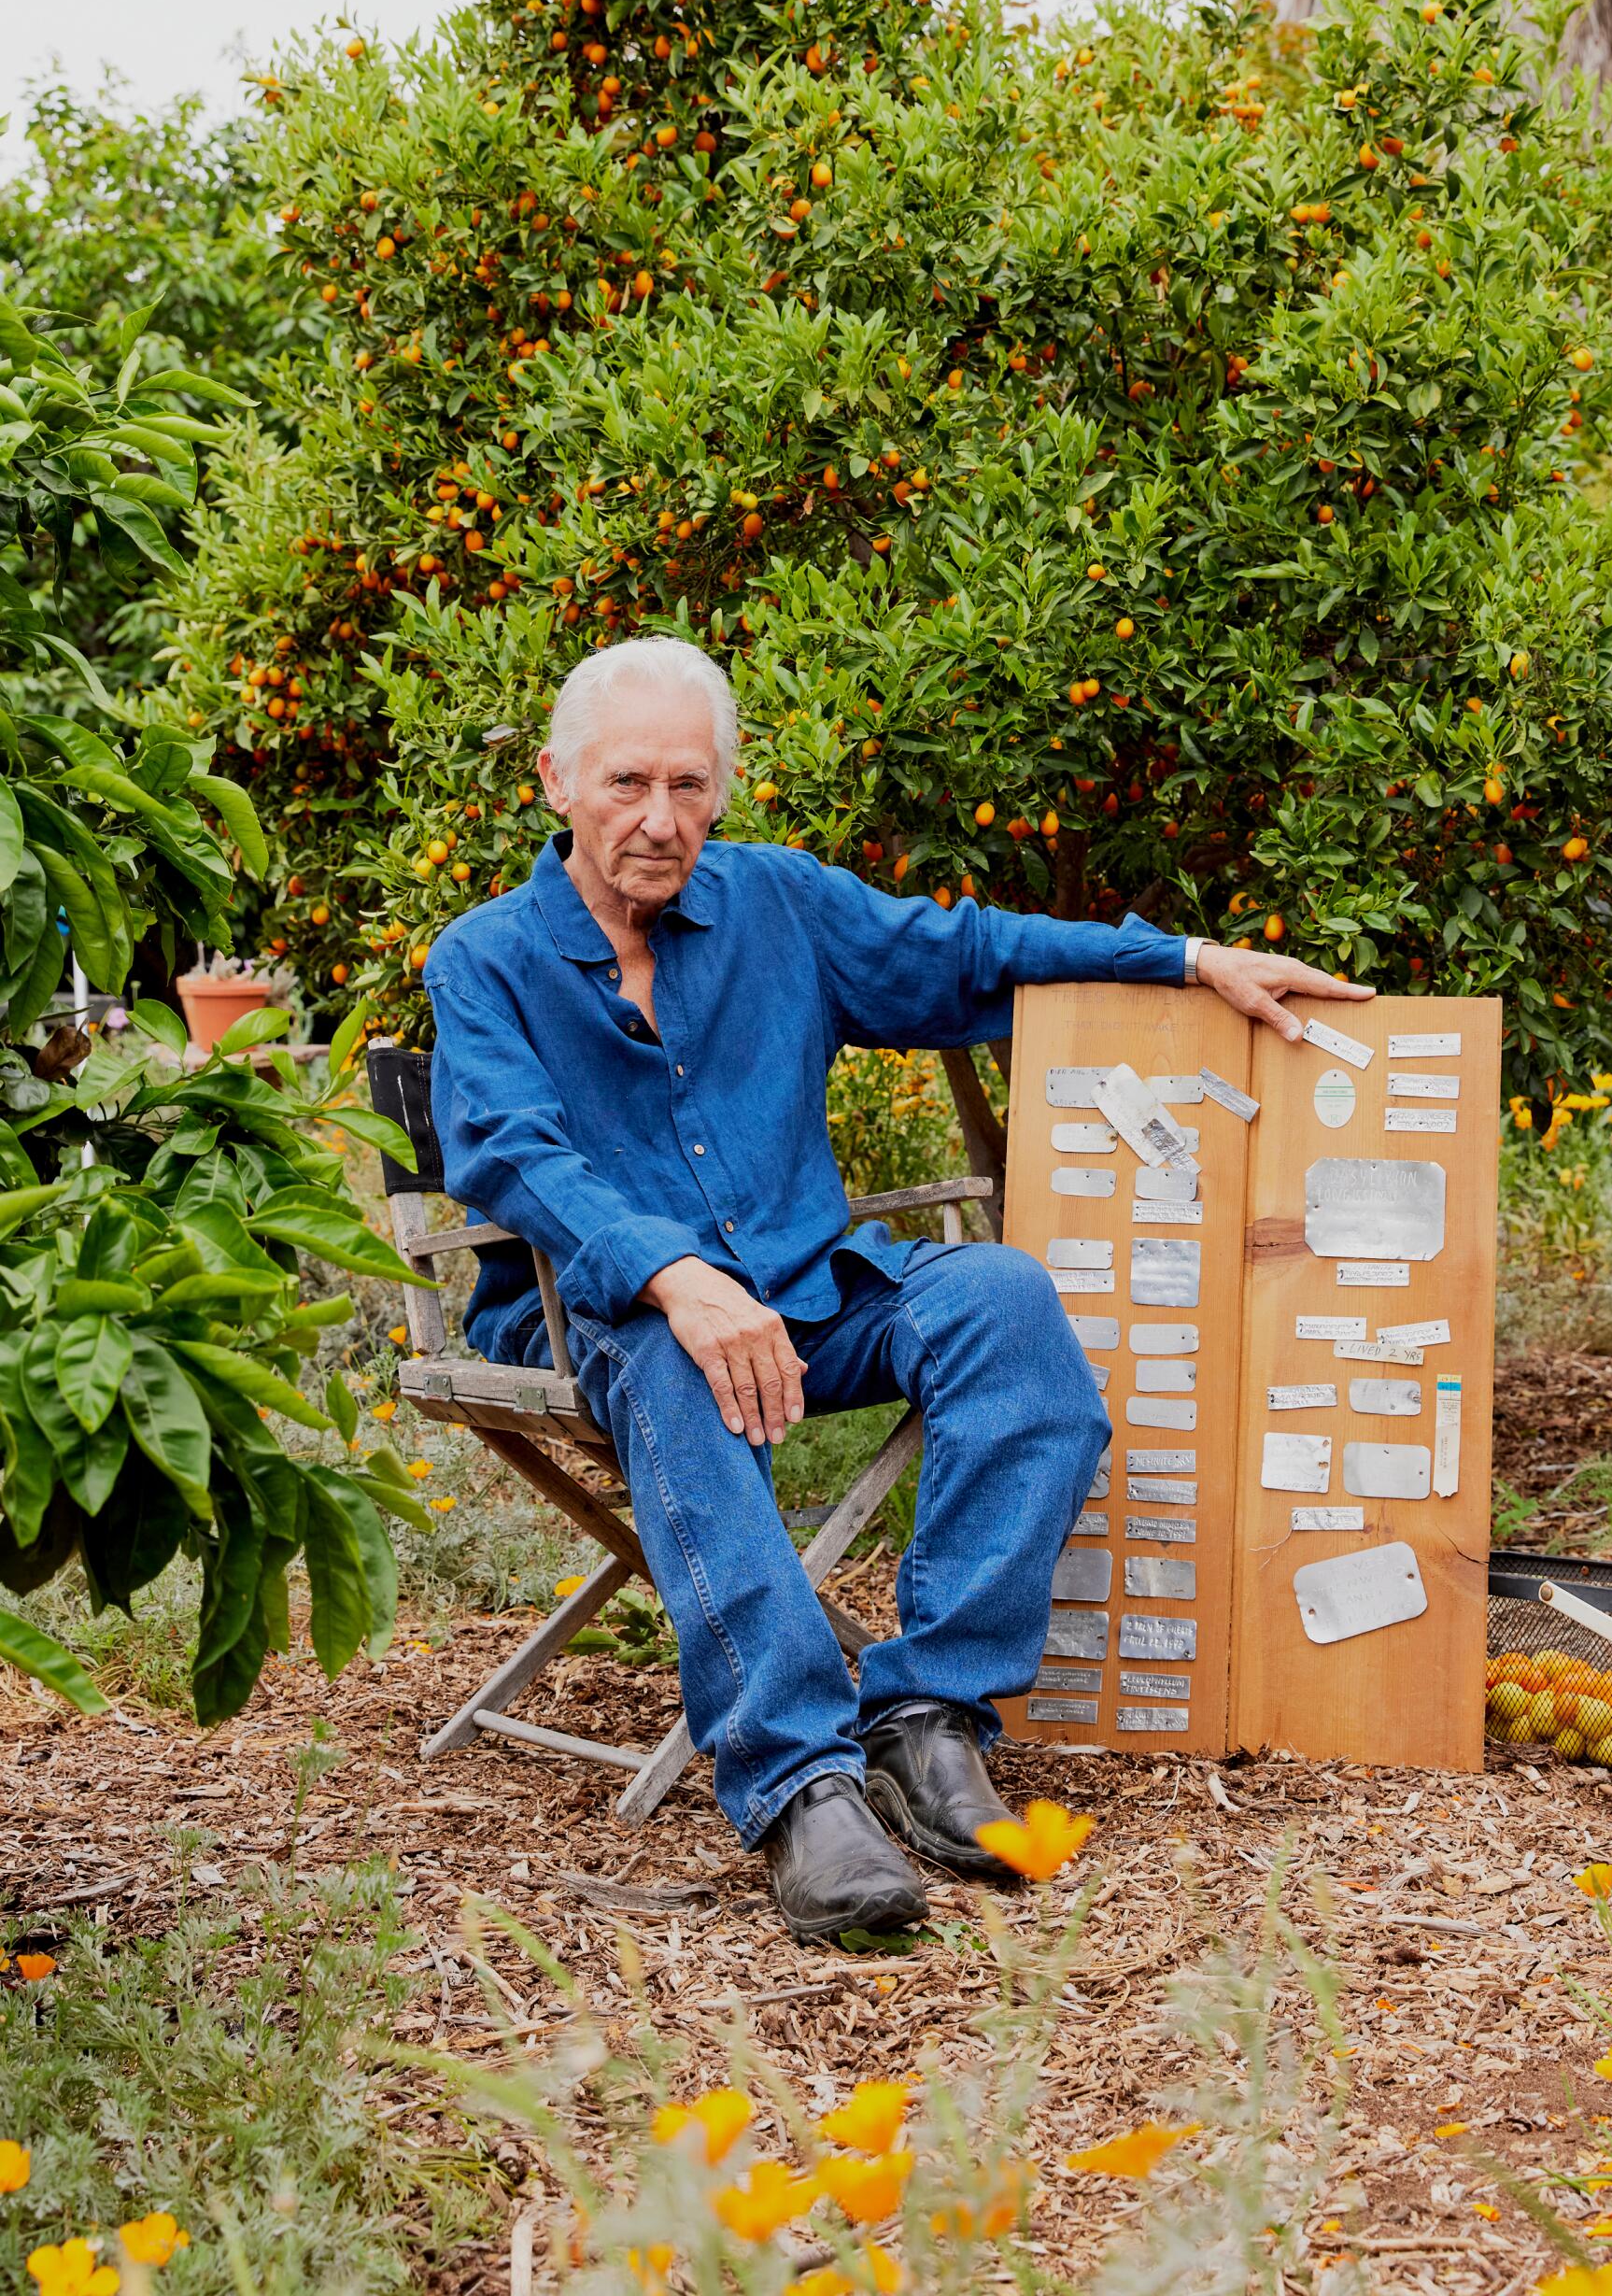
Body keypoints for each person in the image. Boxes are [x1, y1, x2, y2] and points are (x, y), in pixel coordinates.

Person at [425, 639, 1373, 1940]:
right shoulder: (484, 958)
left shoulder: (779, 906)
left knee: (1002, 1301)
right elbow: (510, 1149)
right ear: (555, 782)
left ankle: (929, 1713)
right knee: (673, 1350)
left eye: (690, 785)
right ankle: (804, 1787)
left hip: (810, 1291)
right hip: (592, 1310)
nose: (661, 818)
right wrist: (675, 1275)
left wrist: (1190, 959)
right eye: (627, 782)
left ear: (724, 786)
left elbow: (972, 953)